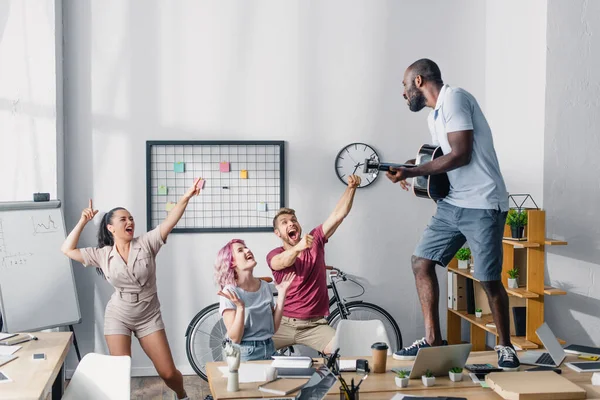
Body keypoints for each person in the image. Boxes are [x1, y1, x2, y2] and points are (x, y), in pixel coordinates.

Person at [386, 58, 519, 370]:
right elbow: (439, 157)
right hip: (452, 205)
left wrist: (412, 171)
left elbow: (461, 154)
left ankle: (505, 346)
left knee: (488, 279)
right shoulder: (435, 115)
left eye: (405, 87)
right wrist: (410, 168)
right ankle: (433, 340)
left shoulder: (455, 98)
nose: (404, 95)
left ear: (418, 81)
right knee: (421, 261)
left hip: (483, 204)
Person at [61, 180, 202, 400]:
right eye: (123, 219)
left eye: (131, 218)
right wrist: (83, 221)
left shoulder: (147, 243)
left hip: (148, 315)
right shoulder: (102, 254)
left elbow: (170, 221)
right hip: (119, 315)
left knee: (167, 372)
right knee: (120, 374)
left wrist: (186, 196)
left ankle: (182, 395)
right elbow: (67, 249)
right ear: (111, 228)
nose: (130, 222)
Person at [266, 175, 361, 355]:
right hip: (282, 324)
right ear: (278, 233)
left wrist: (351, 188)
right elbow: (282, 262)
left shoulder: (315, 240)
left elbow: (338, 215)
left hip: (315, 326)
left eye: (293, 220)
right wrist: (299, 247)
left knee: (344, 352)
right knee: (252, 352)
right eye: (285, 222)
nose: (291, 223)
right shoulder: (275, 254)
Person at [215, 239, 295, 361]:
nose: (248, 250)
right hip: (245, 352)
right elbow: (235, 338)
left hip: (270, 348)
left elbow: (272, 328)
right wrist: (241, 307)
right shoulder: (229, 292)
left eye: (246, 247)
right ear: (232, 263)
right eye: (240, 250)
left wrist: (282, 294)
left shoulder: (265, 286)